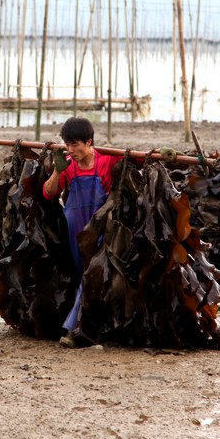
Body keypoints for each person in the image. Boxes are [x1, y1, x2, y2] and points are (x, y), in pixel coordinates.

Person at [42, 117, 177, 347]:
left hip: (100, 228)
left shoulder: (106, 159)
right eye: (67, 144)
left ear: (89, 142)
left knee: (91, 273)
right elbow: (49, 193)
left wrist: (160, 153)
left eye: (75, 145)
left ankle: (74, 331)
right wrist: (56, 172)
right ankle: (94, 325)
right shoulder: (67, 164)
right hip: (74, 231)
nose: (70, 150)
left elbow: (137, 159)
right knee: (80, 274)